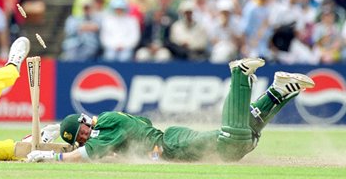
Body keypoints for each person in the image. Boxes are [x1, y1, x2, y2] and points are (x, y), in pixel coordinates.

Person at [26, 57, 315, 163]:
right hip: (172, 144)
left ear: (86, 123)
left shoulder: (107, 126)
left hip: (172, 145)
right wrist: (55, 135)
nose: (85, 139)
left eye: (82, 134)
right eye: (80, 139)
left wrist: (53, 157)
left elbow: (87, 155)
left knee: (232, 143)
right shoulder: (108, 124)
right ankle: (278, 91)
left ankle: (239, 76)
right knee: (244, 143)